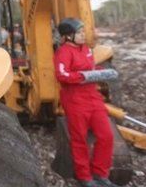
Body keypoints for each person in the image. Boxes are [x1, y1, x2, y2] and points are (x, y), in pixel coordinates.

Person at [53, 18, 119, 187]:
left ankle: (101, 174)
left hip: (93, 98)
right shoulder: (63, 53)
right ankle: (85, 177)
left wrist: (103, 73)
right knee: (79, 139)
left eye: (83, 32)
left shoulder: (87, 50)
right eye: (80, 32)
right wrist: (83, 76)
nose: (83, 35)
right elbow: (62, 76)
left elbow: (91, 69)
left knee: (106, 135)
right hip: (75, 101)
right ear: (68, 36)